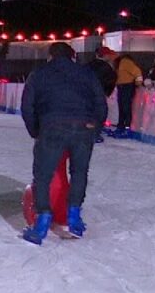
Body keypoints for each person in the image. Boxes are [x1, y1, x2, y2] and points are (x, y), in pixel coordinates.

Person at [20, 42, 107, 245]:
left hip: (51, 127)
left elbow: (27, 106)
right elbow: (100, 103)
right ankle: (74, 218)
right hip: (83, 127)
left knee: (43, 175)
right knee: (79, 173)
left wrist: (36, 131)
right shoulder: (87, 73)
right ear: (73, 56)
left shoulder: (39, 73)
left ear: (50, 56)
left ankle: (41, 224)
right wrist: (94, 128)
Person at [106, 48, 143, 138]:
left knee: (126, 107)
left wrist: (139, 83)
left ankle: (127, 128)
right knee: (122, 108)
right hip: (122, 87)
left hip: (127, 87)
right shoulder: (118, 64)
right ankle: (121, 127)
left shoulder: (125, 62)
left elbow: (137, 71)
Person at [88, 47, 117, 143]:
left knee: (89, 113)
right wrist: (107, 92)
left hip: (86, 94)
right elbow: (111, 80)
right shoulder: (106, 67)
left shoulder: (88, 65)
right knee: (100, 113)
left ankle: (87, 132)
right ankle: (95, 134)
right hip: (99, 93)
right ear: (106, 56)